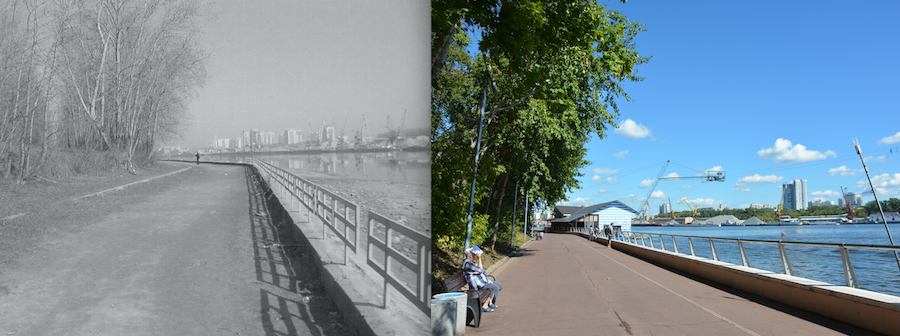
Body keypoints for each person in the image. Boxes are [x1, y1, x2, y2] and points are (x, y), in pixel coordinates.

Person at [463, 247, 502, 312]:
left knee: (498, 285)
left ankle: (490, 302)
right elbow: (480, 269)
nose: (475, 255)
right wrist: (479, 258)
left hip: (481, 281)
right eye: (474, 254)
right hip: (477, 284)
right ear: (470, 255)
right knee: (494, 287)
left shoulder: (471, 262)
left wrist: (479, 271)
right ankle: (485, 306)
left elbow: (480, 270)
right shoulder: (468, 264)